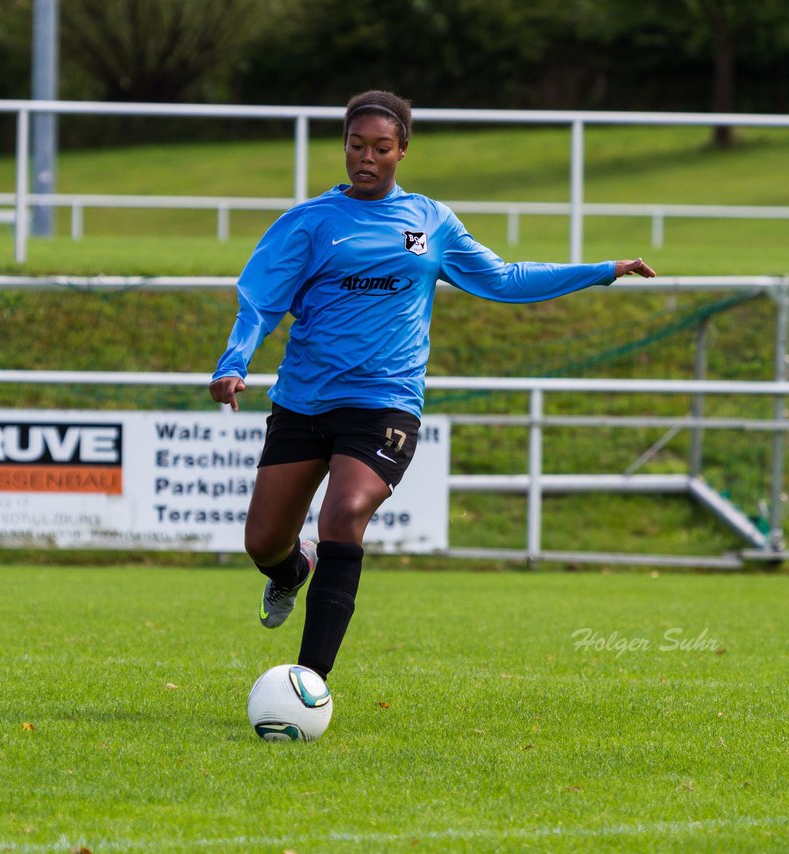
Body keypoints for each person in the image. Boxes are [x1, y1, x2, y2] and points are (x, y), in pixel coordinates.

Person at [210, 90, 655, 684]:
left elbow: (503, 278)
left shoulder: (429, 221)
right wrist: (233, 363)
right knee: (264, 542)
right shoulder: (309, 223)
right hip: (304, 402)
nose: (366, 158)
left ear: (403, 152)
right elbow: (260, 302)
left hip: (385, 403)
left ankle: (308, 682)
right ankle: (291, 572)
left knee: (344, 515)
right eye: (355, 145)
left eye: (381, 148)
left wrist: (601, 271)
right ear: (343, 145)